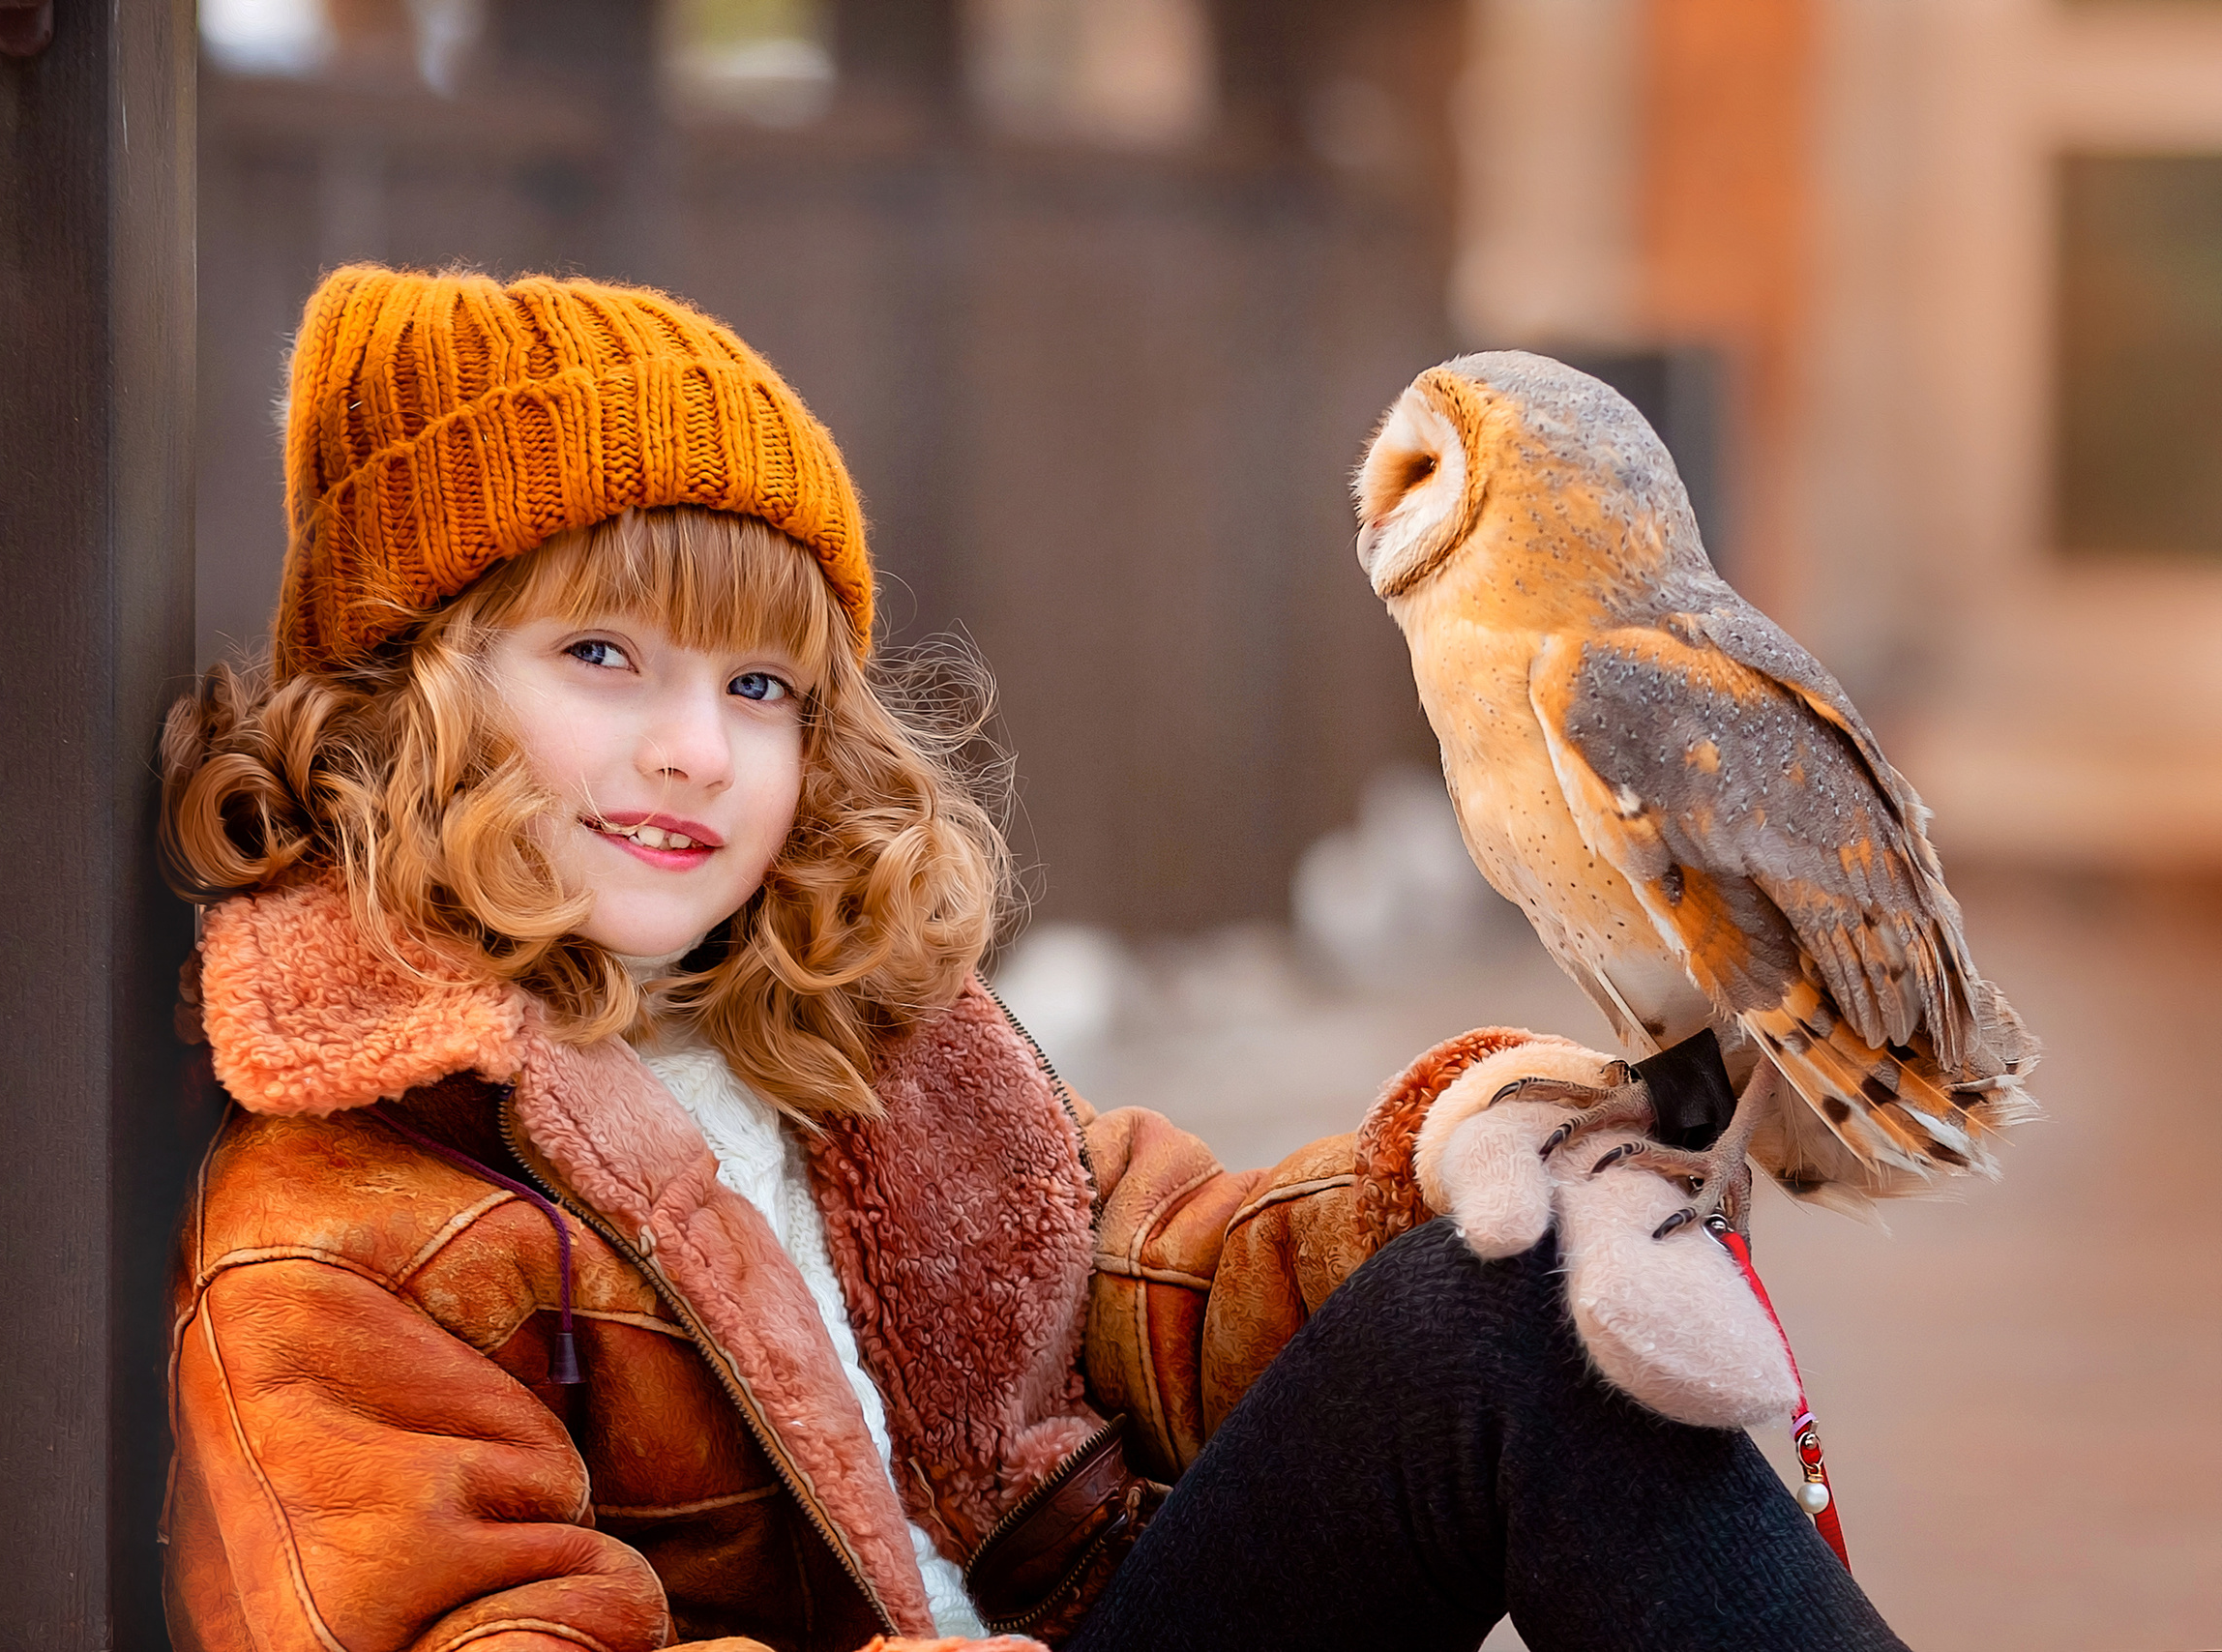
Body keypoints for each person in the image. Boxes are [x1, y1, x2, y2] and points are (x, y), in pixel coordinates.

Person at [159, 265, 1906, 1652]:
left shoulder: (843, 1032)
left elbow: (1149, 1282)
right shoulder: (340, 1220)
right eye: (603, 657)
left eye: (759, 687)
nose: (695, 750)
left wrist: (1440, 1174)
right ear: (409, 689)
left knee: (1502, 1316)